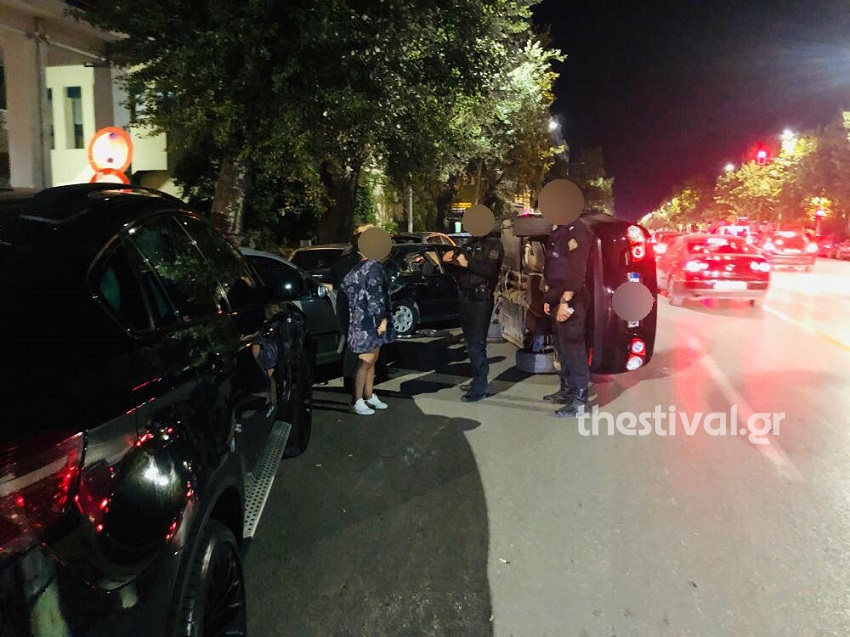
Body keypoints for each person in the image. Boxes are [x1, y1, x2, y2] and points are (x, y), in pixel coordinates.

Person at [443, 230, 504, 402]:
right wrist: (448, 262)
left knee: (477, 343)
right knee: (470, 343)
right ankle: (476, 379)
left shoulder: (494, 245)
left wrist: (467, 263)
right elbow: (458, 270)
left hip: (481, 298)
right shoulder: (468, 244)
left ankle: (479, 386)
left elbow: (489, 270)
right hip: (466, 296)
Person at [542, 217, 592, 417]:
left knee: (573, 349)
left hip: (570, 299)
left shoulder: (577, 230)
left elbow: (576, 268)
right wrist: (549, 298)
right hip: (557, 296)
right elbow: (552, 266)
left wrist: (565, 301)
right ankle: (567, 390)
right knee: (561, 347)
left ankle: (580, 401)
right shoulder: (559, 230)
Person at [341, 234, 395, 415]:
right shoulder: (374, 266)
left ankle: (369, 395)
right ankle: (356, 400)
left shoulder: (356, 268)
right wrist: (383, 319)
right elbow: (376, 296)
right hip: (371, 321)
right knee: (366, 361)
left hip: (358, 318)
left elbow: (346, 288)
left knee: (371, 359)